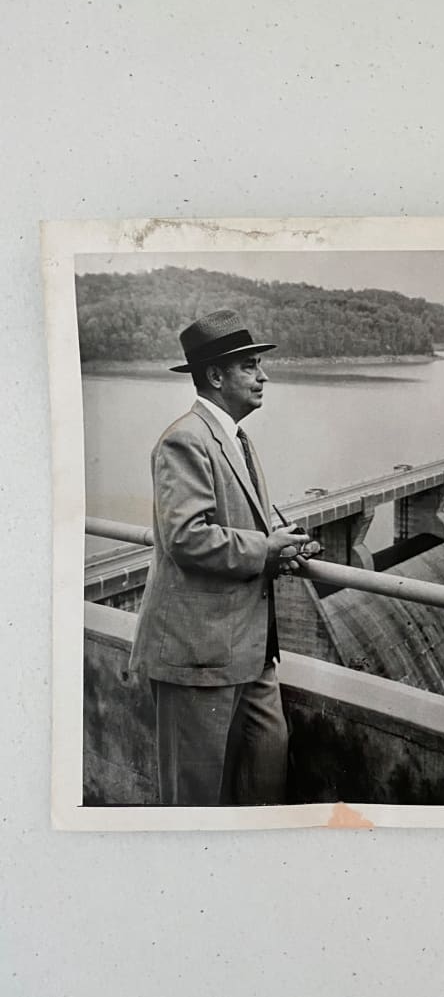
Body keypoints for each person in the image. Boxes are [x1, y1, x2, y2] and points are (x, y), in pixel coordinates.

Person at [129, 309, 311, 806]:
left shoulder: (238, 439)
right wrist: (264, 550)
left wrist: (280, 544)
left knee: (265, 785)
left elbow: (238, 526)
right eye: (250, 366)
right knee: (195, 803)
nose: (263, 376)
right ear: (215, 376)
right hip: (199, 654)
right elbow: (186, 537)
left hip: (251, 653)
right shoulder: (184, 439)